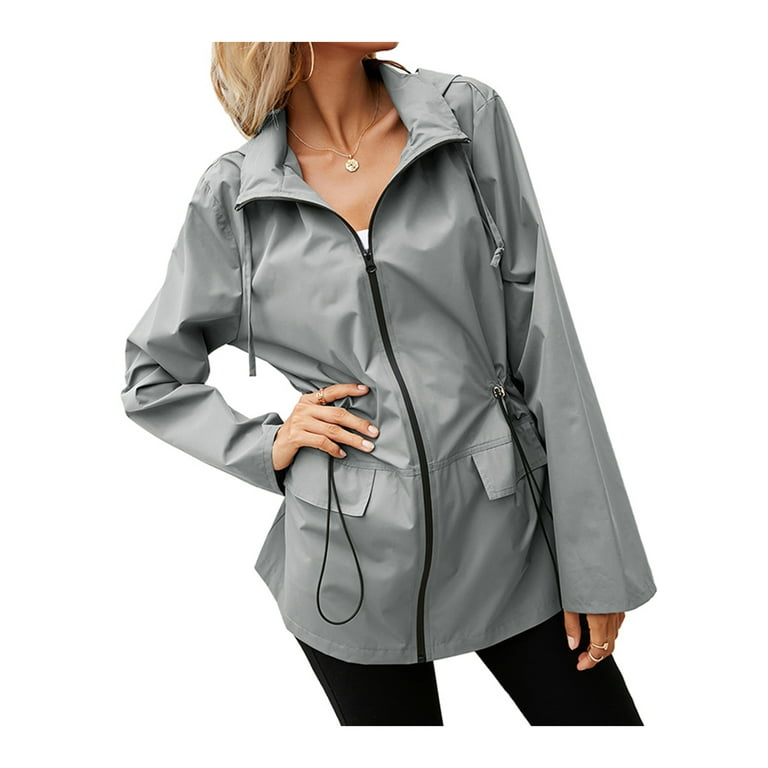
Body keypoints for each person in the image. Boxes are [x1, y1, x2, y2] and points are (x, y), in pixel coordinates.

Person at [121, 42, 657, 726]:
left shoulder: (463, 119)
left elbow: (546, 340)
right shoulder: (236, 196)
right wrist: (267, 445)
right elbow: (151, 374)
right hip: (345, 565)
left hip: (507, 530)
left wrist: (596, 563)